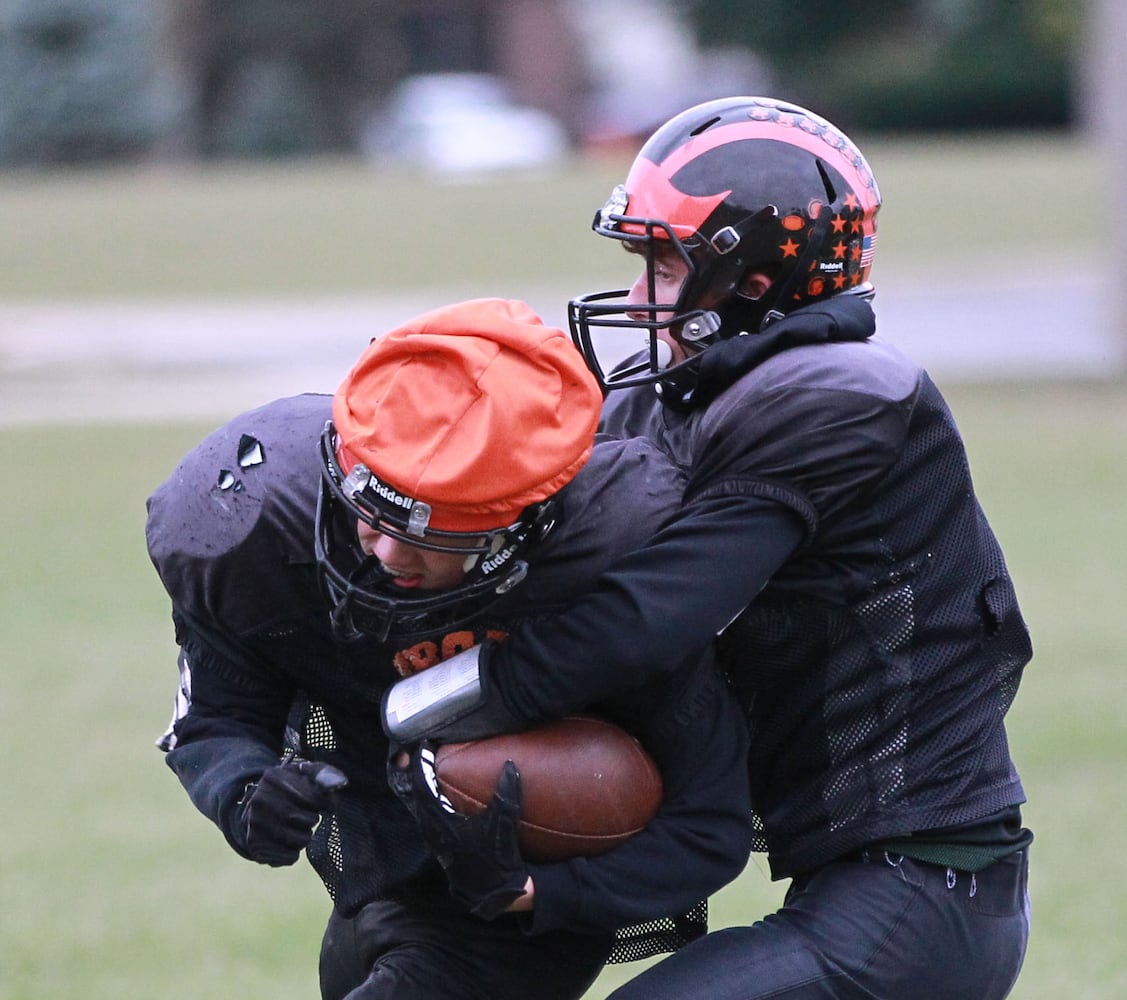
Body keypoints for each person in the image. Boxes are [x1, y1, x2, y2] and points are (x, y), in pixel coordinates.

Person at [385, 98, 1034, 999]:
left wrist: (417, 707)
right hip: (847, 878)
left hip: (925, 887)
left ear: (756, 278)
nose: (641, 292)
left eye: (661, 261)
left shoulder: (841, 397)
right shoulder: (689, 399)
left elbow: (643, 619)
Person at [146, 297, 754, 1000]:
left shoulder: (613, 565)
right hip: (379, 873)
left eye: (434, 540)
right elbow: (216, 719)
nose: (384, 554)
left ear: (524, 530)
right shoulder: (255, 514)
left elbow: (707, 828)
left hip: (512, 930)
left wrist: (530, 890)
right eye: (368, 515)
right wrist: (247, 793)